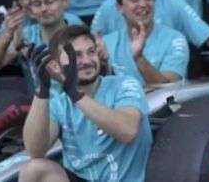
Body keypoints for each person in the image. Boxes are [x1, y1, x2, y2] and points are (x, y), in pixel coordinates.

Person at [19, 26, 152, 182]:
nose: (87, 61)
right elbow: (35, 151)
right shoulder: (58, 104)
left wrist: (73, 92)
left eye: (91, 52)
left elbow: (127, 131)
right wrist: (42, 90)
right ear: (55, 65)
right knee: (34, 170)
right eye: (76, 55)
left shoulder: (124, 85)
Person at [0, 0, 84, 77]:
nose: (43, 8)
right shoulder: (26, 36)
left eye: (50, 1)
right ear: (31, 8)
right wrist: (7, 35)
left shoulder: (79, 31)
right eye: (37, 4)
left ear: (65, 1)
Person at [102, 0, 189, 86]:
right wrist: (101, 65)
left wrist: (139, 59)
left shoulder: (175, 40)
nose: (143, 4)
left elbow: (168, 88)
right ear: (120, 8)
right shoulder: (107, 43)